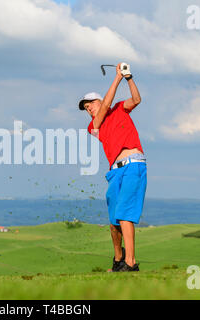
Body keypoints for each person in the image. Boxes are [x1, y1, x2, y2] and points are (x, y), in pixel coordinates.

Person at [79, 63, 146, 272]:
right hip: (115, 171)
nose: (88, 109)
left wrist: (128, 77)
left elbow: (136, 100)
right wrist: (116, 78)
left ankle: (131, 263)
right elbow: (106, 106)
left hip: (134, 164)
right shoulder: (94, 126)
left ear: (99, 101)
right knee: (113, 221)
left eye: (90, 104)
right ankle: (119, 260)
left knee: (125, 215)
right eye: (86, 108)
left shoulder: (119, 108)